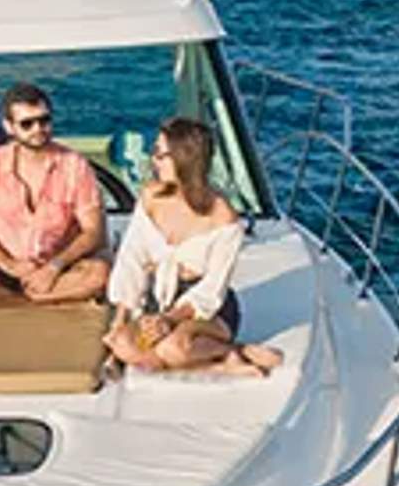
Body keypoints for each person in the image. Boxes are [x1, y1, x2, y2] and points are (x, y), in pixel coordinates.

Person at [106, 115, 281, 376]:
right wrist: (120, 321)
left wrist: (170, 320)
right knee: (122, 343)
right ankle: (232, 356)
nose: (153, 160)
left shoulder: (223, 217)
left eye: (159, 153)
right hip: (159, 300)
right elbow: (132, 258)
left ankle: (223, 350)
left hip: (203, 309)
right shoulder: (152, 196)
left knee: (171, 350)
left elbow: (212, 288)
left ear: (183, 159)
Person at [0, 82, 109, 307]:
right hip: (4, 268)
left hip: (56, 266)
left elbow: (93, 231)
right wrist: (9, 265)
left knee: (100, 274)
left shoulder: (74, 165)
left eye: (44, 120)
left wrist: (53, 268)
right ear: (9, 127)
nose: (38, 129)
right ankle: (36, 299)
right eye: (27, 124)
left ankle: (23, 300)